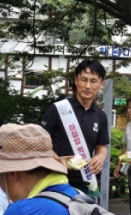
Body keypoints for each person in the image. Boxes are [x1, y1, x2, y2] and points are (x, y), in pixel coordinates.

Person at [42, 59, 109, 195]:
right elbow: (40, 143)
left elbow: (101, 147)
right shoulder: (58, 108)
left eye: (93, 81)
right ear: (76, 80)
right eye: (83, 80)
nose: (88, 86)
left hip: (86, 181)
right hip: (55, 179)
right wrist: (58, 159)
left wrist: (101, 157)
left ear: (101, 84)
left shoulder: (101, 115)